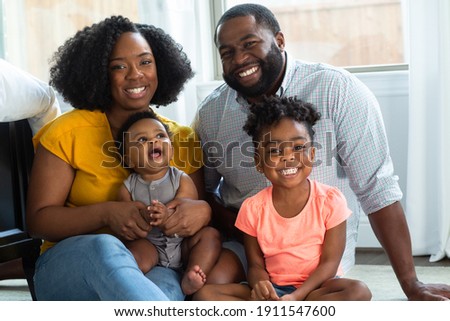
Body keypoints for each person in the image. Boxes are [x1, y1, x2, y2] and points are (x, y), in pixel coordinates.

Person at [192, 3, 450, 300]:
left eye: (250, 44)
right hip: (247, 246)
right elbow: (205, 195)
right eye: (227, 53)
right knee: (205, 291)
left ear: (279, 41)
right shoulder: (211, 114)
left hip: (318, 255)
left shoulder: (338, 90)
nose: (239, 59)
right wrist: (255, 236)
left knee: (353, 295)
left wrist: (411, 284)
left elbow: (377, 188)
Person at [26, 16, 210, 300]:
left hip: (154, 263)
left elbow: (196, 209)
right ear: (99, 74)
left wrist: (202, 211)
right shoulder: (67, 132)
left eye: (145, 62)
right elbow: (39, 221)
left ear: (161, 67)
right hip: (71, 266)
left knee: (166, 284)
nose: (135, 74)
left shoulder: (181, 138)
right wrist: (106, 213)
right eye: (118, 66)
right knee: (105, 247)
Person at [196, 96, 371, 301]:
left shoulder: (331, 201)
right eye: (275, 151)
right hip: (275, 291)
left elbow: (330, 264)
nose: (288, 157)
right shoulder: (253, 208)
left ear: (312, 154)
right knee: (205, 295)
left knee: (359, 291)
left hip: (317, 290)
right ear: (259, 162)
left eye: (298, 148)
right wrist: (262, 286)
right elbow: (255, 265)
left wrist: (298, 296)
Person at [116, 110, 221, 295]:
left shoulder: (180, 178)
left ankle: (193, 273)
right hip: (150, 244)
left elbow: (187, 209)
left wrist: (167, 214)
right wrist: (143, 216)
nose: (153, 141)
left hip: (183, 243)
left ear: (171, 149)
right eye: (141, 140)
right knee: (134, 254)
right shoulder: (127, 187)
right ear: (128, 159)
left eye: (160, 136)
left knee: (210, 236)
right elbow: (127, 218)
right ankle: (130, 278)